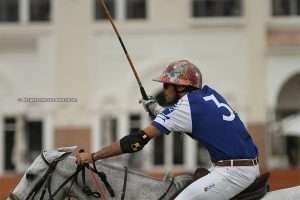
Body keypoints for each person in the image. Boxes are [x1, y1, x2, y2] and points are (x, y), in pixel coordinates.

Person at [76, 59, 260, 199]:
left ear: (180, 87)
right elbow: (187, 117)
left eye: (166, 85)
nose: (163, 89)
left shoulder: (185, 108)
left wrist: (93, 157)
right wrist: (157, 110)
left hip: (234, 172)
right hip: (235, 166)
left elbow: (137, 141)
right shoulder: (208, 95)